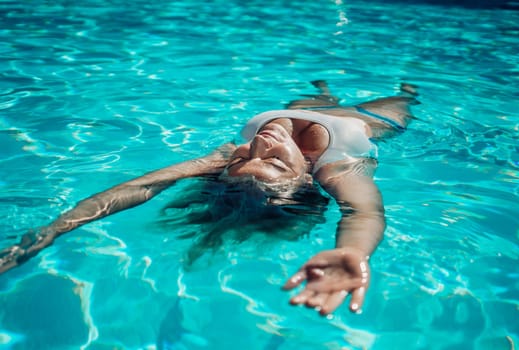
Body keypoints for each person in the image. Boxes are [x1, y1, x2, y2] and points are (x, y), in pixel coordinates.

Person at [0, 81, 419, 316]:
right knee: (402, 98)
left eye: (245, 160)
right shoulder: (335, 167)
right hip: (371, 120)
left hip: (300, 109)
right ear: (305, 177)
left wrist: (49, 233)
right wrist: (354, 251)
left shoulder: (224, 157)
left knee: (315, 97)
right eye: (274, 163)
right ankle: (404, 86)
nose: (258, 148)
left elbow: (137, 187)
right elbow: (364, 210)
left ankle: (325, 92)